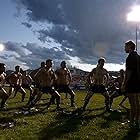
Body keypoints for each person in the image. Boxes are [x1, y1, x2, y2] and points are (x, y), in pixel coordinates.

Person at [121, 40, 140, 129]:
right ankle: (137, 120)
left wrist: (124, 84)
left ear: (129, 46)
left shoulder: (130, 57)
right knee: (137, 103)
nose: (124, 48)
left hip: (132, 83)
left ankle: (132, 122)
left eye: (125, 46)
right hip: (138, 83)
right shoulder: (138, 57)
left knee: (133, 104)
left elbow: (128, 73)